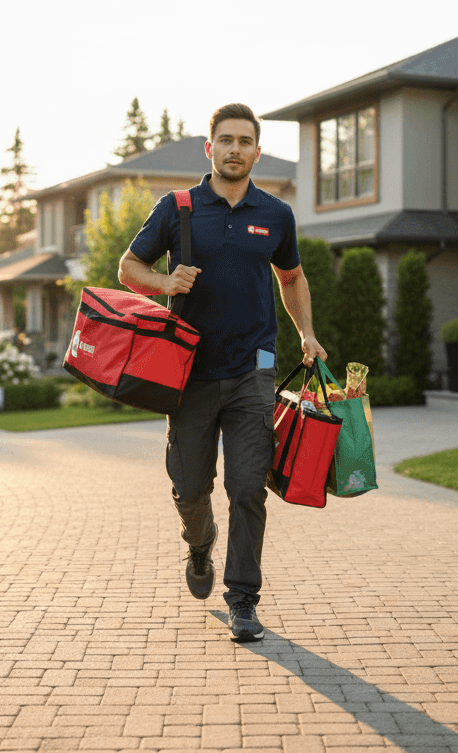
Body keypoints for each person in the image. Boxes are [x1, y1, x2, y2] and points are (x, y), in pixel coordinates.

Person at [118, 103, 325, 642]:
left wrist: (306, 333)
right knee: (189, 487)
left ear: (257, 151)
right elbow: (128, 267)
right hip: (185, 373)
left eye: (245, 141)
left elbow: (293, 278)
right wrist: (164, 285)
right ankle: (199, 542)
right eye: (225, 140)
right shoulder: (179, 208)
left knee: (248, 488)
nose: (235, 149)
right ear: (209, 149)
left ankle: (243, 600)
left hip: (253, 371)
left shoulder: (276, 215)